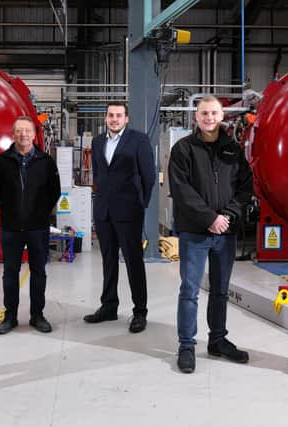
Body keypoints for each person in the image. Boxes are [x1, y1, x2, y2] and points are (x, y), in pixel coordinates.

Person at [168, 95, 253, 373]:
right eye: (204, 113)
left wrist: (226, 217)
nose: (209, 118)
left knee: (220, 291)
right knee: (190, 291)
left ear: (222, 116)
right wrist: (209, 218)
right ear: (196, 117)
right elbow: (181, 191)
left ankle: (217, 340)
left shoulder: (232, 149)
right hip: (195, 233)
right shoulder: (183, 149)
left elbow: (245, 187)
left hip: (225, 233)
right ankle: (187, 346)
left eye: (214, 113)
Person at [83, 101, 155, 333]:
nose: (114, 119)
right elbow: (99, 174)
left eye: (119, 115)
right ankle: (109, 306)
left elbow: (149, 176)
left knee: (134, 261)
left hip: (129, 211)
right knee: (108, 260)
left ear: (126, 119)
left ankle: (140, 311)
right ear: (105, 118)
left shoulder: (139, 140)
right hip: (104, 211)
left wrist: (140, 204)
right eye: (110, 115)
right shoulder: (97, 142)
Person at [0, 116, 61, 335]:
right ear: (13, 134)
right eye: (19, 131)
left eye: (27, 131)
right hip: (11, 227)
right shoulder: (2, 161)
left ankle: (37, 315)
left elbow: (54, 192)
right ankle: (10, 316)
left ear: (34, 134)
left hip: (37, 227)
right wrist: (12, 210)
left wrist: (39, 212)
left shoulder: (45, 162)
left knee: (38, 272)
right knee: (10, 273)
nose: (23, 135)